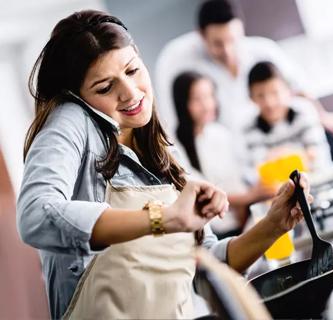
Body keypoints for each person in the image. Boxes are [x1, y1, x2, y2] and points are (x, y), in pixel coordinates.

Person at [16, 10, 311, 320]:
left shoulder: (159, 149)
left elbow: (205, 265)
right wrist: (162, 218)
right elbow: (37, 214)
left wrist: (273, 225)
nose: (130, 93)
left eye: (132, 70)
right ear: (78, 98)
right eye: (105, 88)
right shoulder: (72, 120)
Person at [154, 0, 333, 137]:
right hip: (228, 151)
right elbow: (173, 123)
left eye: (233, 40)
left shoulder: (264, 50)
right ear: (201, 36)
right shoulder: (177, 59)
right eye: (218, 44)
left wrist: (322, 116)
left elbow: (298, 89)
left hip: (275, 138)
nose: (228, 51)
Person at [172, 71, 275, 238]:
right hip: (215, 230)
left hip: (244, 219)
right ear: (183, 103)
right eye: (197, 99)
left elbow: (240, 176)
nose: (207, 105)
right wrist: (250, 196)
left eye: (209, 96)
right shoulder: (177, 147)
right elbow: (201, 194)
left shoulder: (221, 134)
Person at [245, 61, 332, 173]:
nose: (269, 102)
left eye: (274, 93)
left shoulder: (304, 112)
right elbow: (258, 172)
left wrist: (278, 158)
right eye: (260, 96)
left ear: (287, 90)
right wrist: (300, 155)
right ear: (251, 98)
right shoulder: (249, 129)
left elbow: (319, 158)